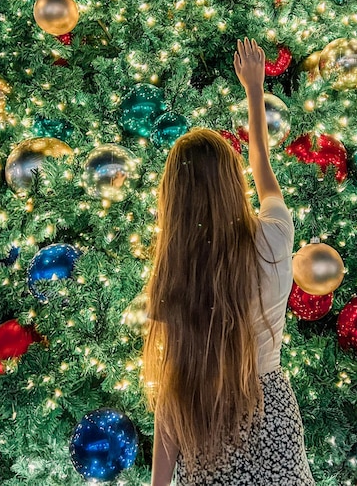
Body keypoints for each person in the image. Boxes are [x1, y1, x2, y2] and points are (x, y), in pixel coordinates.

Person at [143, 38, 315, 485]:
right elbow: (263, 167)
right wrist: (254, 92)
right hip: (271, 416)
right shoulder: (273, 241)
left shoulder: (175, 273)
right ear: (232, 185)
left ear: (173, 202)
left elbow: (169, 392)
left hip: (207, 426)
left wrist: (159, 483)